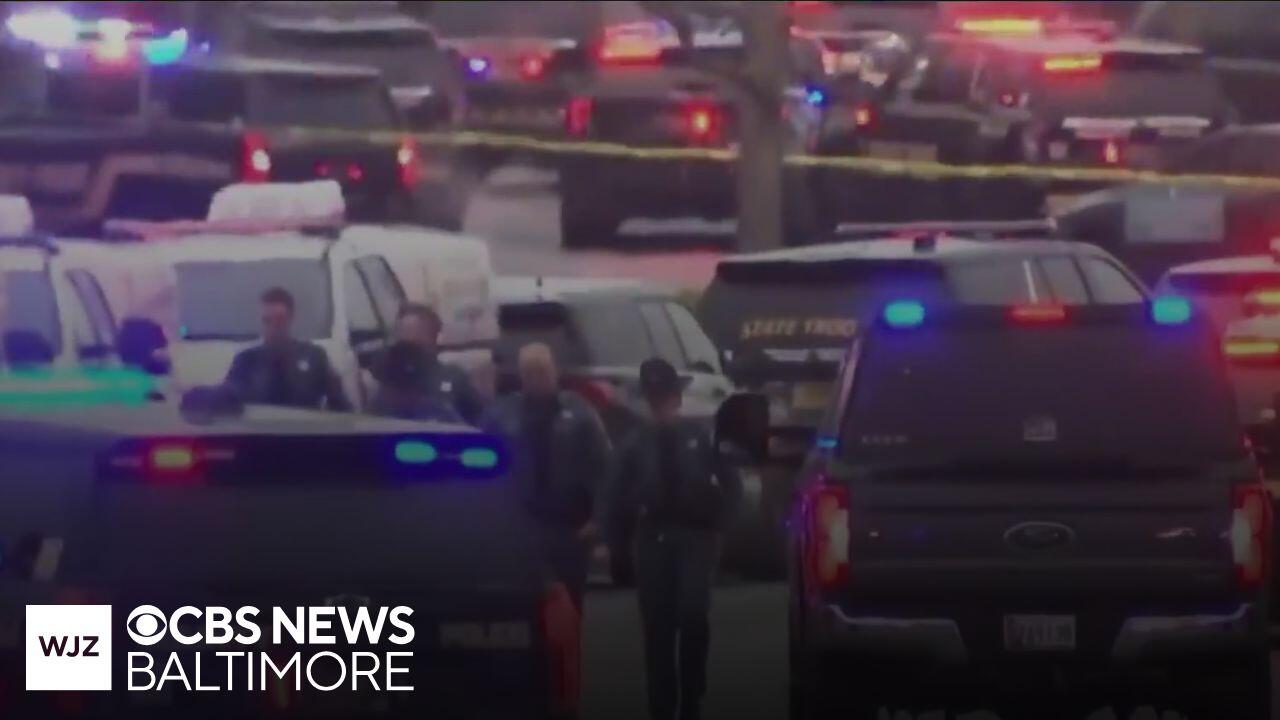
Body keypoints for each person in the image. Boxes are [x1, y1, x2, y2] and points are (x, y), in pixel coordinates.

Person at [612, 357, 742, 720]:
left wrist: (722, 523)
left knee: (692, 612)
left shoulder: (701, 436)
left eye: (666, 398)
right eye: (654, 400)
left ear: (677, 398)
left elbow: (732, 483)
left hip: (696, 536)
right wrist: (613, 539)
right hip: (652, 535)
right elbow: (614, 492)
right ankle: (661, 704)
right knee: (657, 624)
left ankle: (692, 697)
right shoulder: (634, 442)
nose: (661, 406)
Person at [481, 342, 611, 611]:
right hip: (522, 527)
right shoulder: (502, 414)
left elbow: (603, 468)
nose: (537, 378)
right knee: (525, 605)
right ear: (521, 376)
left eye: (542, 370)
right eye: (530, 372)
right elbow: (483, 467)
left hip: (570, 527)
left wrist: (598, 521)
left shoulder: (579, 412)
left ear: (554, 371)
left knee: (570, 604)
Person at [223, 287, 352, 411]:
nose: (272, 327)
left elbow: (341, 408)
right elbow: (227, 398)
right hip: (259, 426)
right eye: (267, 320)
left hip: (304, 426)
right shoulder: (246, 360)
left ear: (291, 318)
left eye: (279, 320)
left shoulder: (314, 357)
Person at [388, 303, 486, 425]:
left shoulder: (453, 378)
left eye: (417, 343)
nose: (409, 351)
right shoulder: (388, 383)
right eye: (404, 343)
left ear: (434, 339)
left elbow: (483, 420)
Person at [368, 339, 464, 423]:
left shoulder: (439, 412)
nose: (400, 396)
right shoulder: (374, 414)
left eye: (405, 389)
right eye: (394, 388)